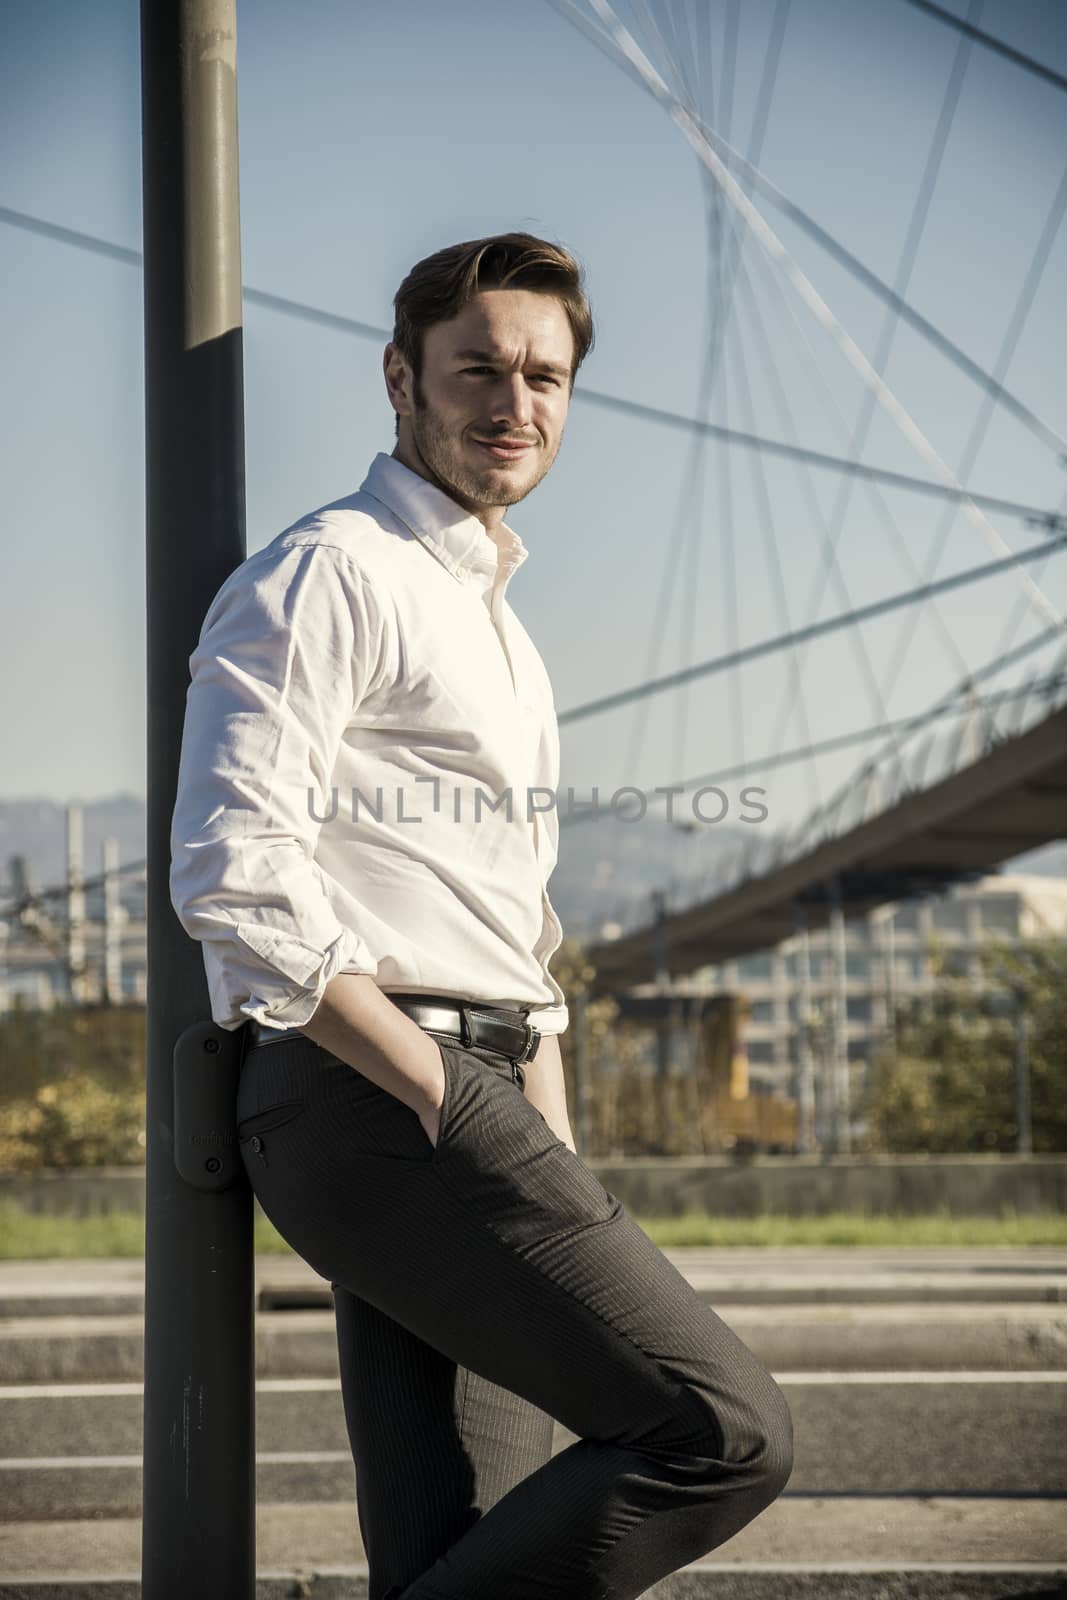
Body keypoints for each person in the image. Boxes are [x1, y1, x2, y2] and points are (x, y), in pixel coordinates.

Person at [169, 231, 793, 1600]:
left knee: (458, 1547)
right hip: (386, 1095)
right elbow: (228, 866)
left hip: (467, 1093)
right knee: (724, 1431)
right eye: (479, 371)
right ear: (403, 380)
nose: (516, 403)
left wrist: (540, 1130)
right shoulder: (333, 569)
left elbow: (517, 934)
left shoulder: (501, 629)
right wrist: (443, 1093)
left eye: (545, 377)